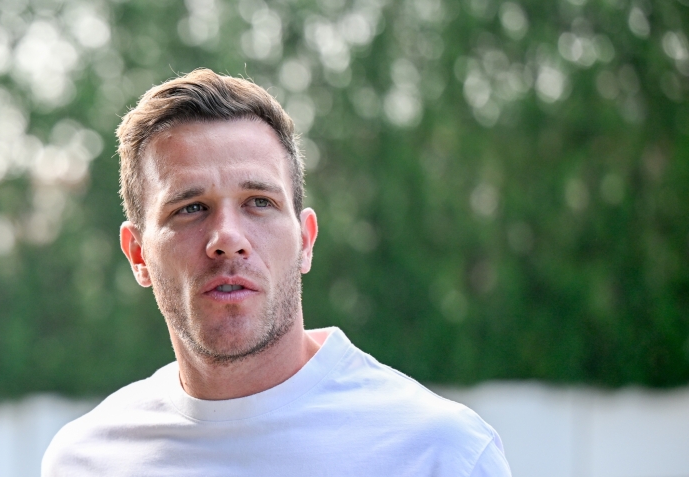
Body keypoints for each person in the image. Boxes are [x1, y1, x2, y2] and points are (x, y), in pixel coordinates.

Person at [41, 68, 512, 476]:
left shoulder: (441, 454)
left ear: (305, 240)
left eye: (259, 202)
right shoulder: (85, 461)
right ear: (138, 254)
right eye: (190, 208)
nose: (228, 237)